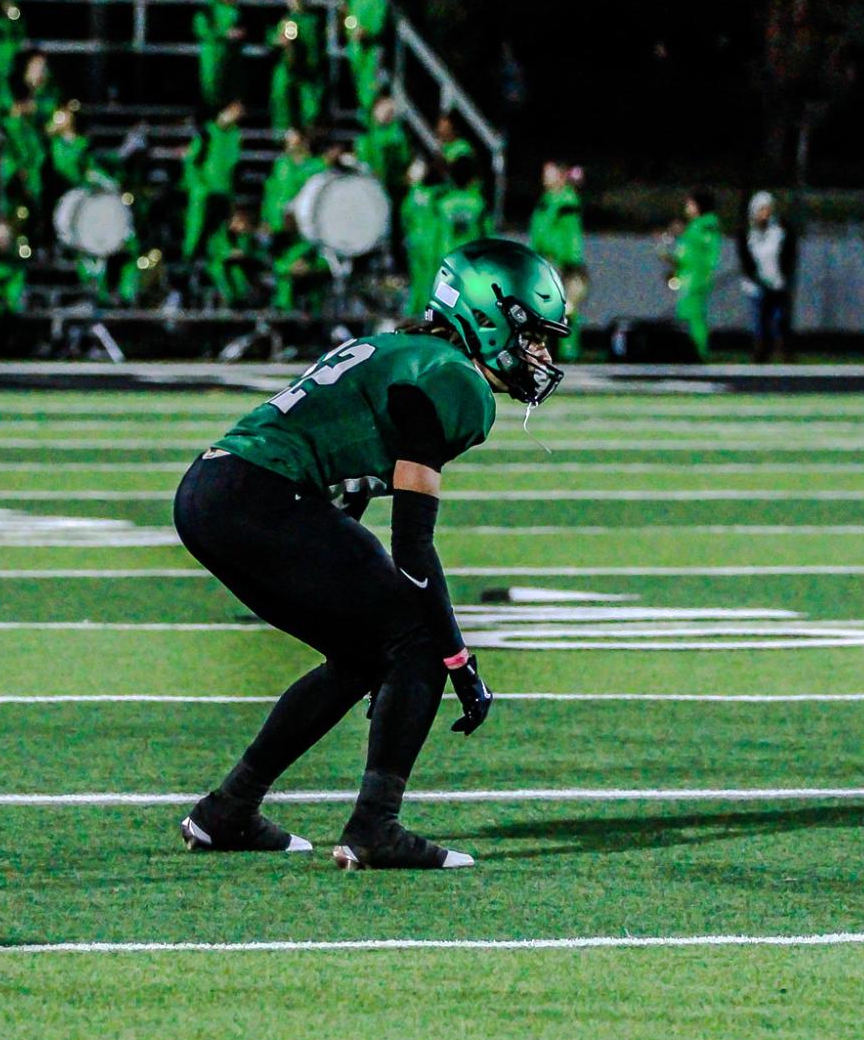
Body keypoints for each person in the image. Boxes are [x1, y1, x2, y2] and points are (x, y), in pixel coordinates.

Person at [172, 237, 569, 870]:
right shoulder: (454, 380)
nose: (544, 356)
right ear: (490, 319)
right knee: (416, 638)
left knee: (363, 653)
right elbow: (412, 549)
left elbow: (346, 494)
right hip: (260, 495)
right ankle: (375, 826)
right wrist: (458, 658)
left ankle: (227, 811)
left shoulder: (398, 349)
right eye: (535, 337)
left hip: (213, 489)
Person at [529, 160, 587, 360]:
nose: (545, 178)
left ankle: (567, 352)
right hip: (545, 261)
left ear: (561, 176)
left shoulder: (566, 202)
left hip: (560, 263)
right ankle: (549, 351)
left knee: (566, 309)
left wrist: (570, 262)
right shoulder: (547, 200)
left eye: (550, 173)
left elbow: (571, 235)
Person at [736, 189, 797, 362]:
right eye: (762, 209)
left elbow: (787, 255)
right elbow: (746, 260)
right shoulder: (748, 233)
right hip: (756, 287)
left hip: (778, 286)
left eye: (768, 208)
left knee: (779, 322)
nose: (765, 213)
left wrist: (783, 278)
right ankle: (760, 359)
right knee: (759, 326)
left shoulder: (779, 231)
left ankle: (786, 357)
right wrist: (757, 279)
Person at [181, 100, 244, 260]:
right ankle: (189, 258)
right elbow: (191, 162)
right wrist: (199, 186)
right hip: (204, 194)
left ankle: (213, 258)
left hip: (224, 192)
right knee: (197, 230)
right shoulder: (207, 133)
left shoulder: (235, 136)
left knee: (220, 230)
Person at [666, 188, 721, 359]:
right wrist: (671, 261)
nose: (687, 208)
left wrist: (683, 234)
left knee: (694, 317)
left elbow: (705, 250)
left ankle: (698, 352)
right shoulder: (695, 226)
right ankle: (688, 351)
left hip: (695, 279)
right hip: (687, 278)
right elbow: (687, 254)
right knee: (686, 316)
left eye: (690, 204)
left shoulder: (706, 224)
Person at [337, 0, 389, 114]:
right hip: (357, 50)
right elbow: (350, 17)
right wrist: (350, 27)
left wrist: (367, 30)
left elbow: (377, 13)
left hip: (371, 50)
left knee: (373, 96)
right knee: (364, 96)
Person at [267, 0, 323, 134]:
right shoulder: (282, 18)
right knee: (282, 102)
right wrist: (278, 41)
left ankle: (309, 139)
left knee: (310, 109)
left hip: (308, 72)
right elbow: (271, 40)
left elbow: (316, 47)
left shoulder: (313, 20)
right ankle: (286, 140)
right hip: (287, 69)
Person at [400, 157, 442, 314]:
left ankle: (411, 312)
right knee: (430, 281)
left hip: (414, 241)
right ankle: (427, 312)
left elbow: (405, 215)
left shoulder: (414, 193)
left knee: (416, 280)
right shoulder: (439, 194)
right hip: (431, 244)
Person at [192, 0, 245, 112]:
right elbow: (201, 29)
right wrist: (224, 33)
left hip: (229, 61)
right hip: (212, 60)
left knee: (225, 99)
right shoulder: (208, 10)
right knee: (211, 96)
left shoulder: (235, 9)